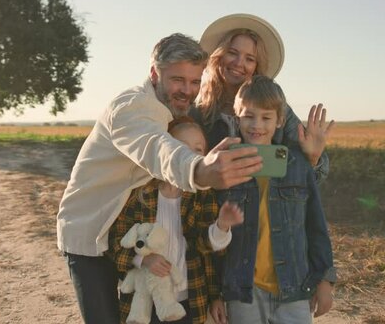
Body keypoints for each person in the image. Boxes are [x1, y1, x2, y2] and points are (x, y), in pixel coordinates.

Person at [57, 33, 264, 324]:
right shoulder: (132, 108)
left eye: (195, 81)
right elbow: (157, 148)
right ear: (155, 74)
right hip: (91, 232)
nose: (187, 90)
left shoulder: (175, 109)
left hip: (131, 236)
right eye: (178, 79)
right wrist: (200, 170)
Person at [210, 76, 336, 324]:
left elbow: (316, 226)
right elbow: (216, 241)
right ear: (237, 117)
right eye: (249, 116)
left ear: (280, 121)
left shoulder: (298, 165)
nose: (257, 125)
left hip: (294, 287)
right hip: (243, 291)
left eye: (266, 117)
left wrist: (324, 280)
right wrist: (215, 293)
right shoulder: (225, 167)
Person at [107, 118, 244, 324]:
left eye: (198, 150)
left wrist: (222, 226)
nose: (189, 156)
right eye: (181, 148)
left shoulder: (202, 196)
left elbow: (206, 249)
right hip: (145, 304)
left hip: (188, 300)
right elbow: (116, 243)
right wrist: (143, 260)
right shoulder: (140, 193)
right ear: (166, 151)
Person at [191, 13, 333, 183]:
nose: (239, 63)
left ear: (256, 66)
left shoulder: (277, 109)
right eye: (232, 53)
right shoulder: (199, 111)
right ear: (218, 56)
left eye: (249, 59)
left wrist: (313, 158)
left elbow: (314, 175)